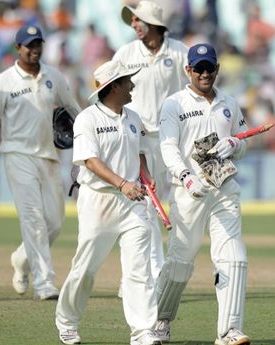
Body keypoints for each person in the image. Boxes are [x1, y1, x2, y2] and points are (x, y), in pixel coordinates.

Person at [55, 60, 161, 345]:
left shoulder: (133, 118)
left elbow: (138, 152)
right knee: (86, 268)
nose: (133, 85)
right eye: (128, 81)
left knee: (139, 269)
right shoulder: (88, 119)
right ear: (113, 87)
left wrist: (146, 176)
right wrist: (122, 184)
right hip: (99, 202)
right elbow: (90, 161)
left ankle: (143, 332)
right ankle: (67, 322)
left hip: (133, 203)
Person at [157, 43, 251, 345]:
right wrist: (184, 176)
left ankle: (229, 331)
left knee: (233, 257)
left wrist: (235, 145)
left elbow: (243, 140)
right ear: (188, 70)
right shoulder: (175, 104)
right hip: (190, 193)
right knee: (180, 263)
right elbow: (168, 146)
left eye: (209, 67)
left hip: (224, 189)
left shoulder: (229, 103)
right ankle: (159, 320)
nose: (205, 73)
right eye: (198, 68)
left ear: (217, 69)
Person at [0, 24, 81, 300]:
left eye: (38, 44)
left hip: (49, 155)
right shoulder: (4, 81)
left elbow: (74, 108)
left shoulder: (53, 76)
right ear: (18, 48)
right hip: (18, 154)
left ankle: (21, 259)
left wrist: (91, 137)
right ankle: (44, 282)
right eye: (29, 45)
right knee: (34, 220)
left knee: (54, 222)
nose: (34, 50)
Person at [112, 0, 189, 305]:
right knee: (143, 208)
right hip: (138, 139)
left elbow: (193, 92)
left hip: (173, 139)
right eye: (132, 20)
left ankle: (162, 272)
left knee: (176, 204)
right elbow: (104, 86)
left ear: (155, 23)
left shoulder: (180, 52)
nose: (134, 24)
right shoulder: (126, 54)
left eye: (139, 19)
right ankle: (141, 275)